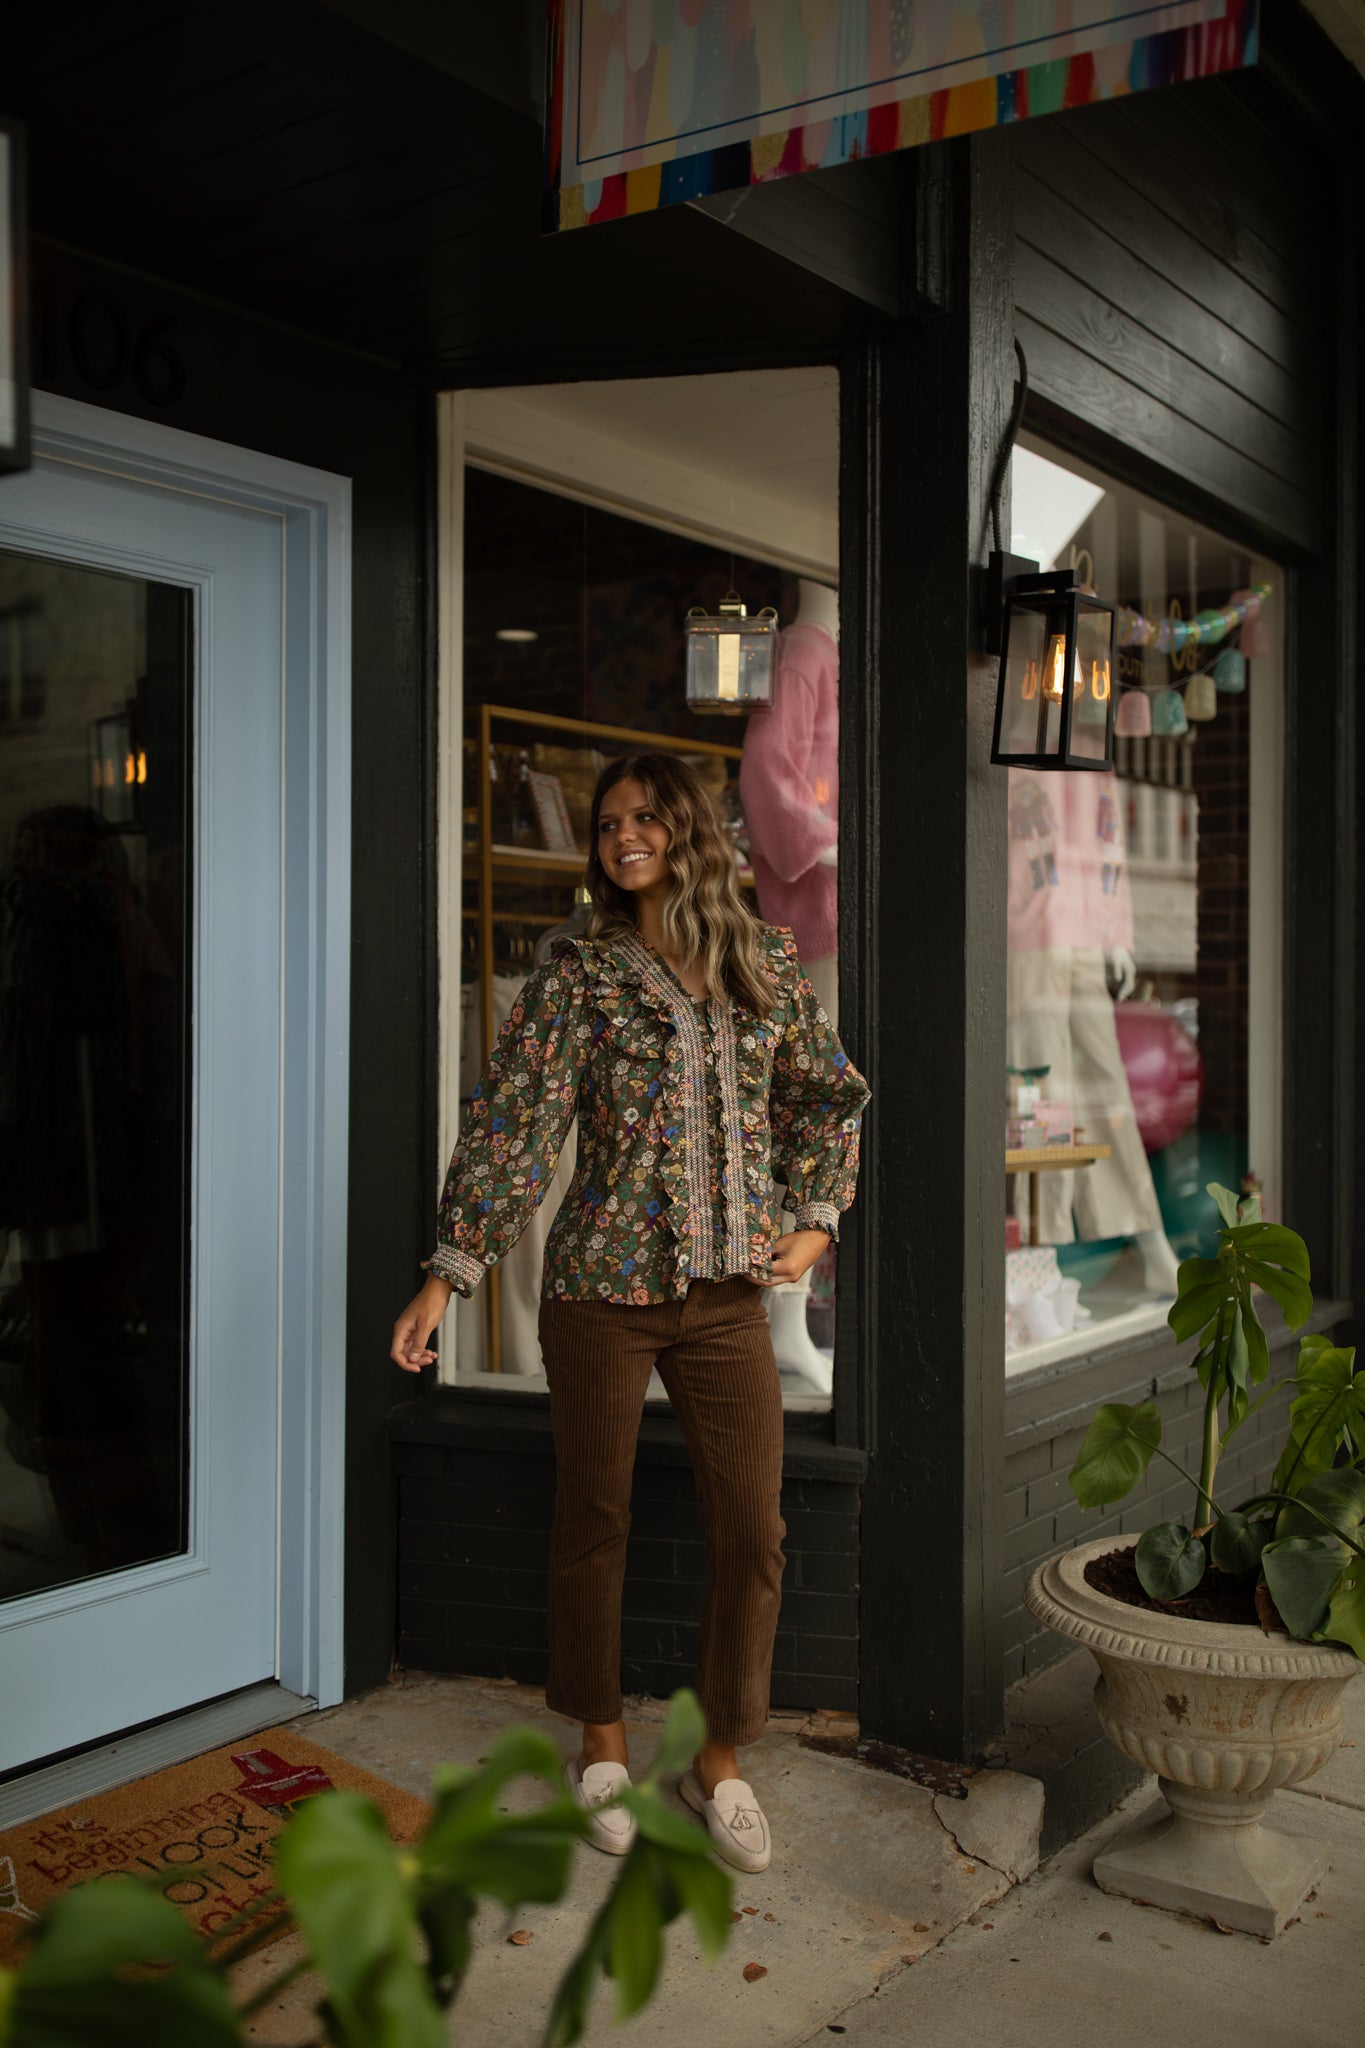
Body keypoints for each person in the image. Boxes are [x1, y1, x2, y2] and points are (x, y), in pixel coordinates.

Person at [389, 753, 870, 1874]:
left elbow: (829, 1092)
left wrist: (817, 1217)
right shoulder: (577, 976)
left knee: (754, 1531)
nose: (623, 836)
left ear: (689, 831)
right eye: (607, 824)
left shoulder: (762, 963)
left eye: (645, 817)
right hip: (599, 1294)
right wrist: (445, 1274)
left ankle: (718, 1757)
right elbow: (515, 1127)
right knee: (593, 1518)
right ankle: (599, 1740)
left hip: (726, 1302)